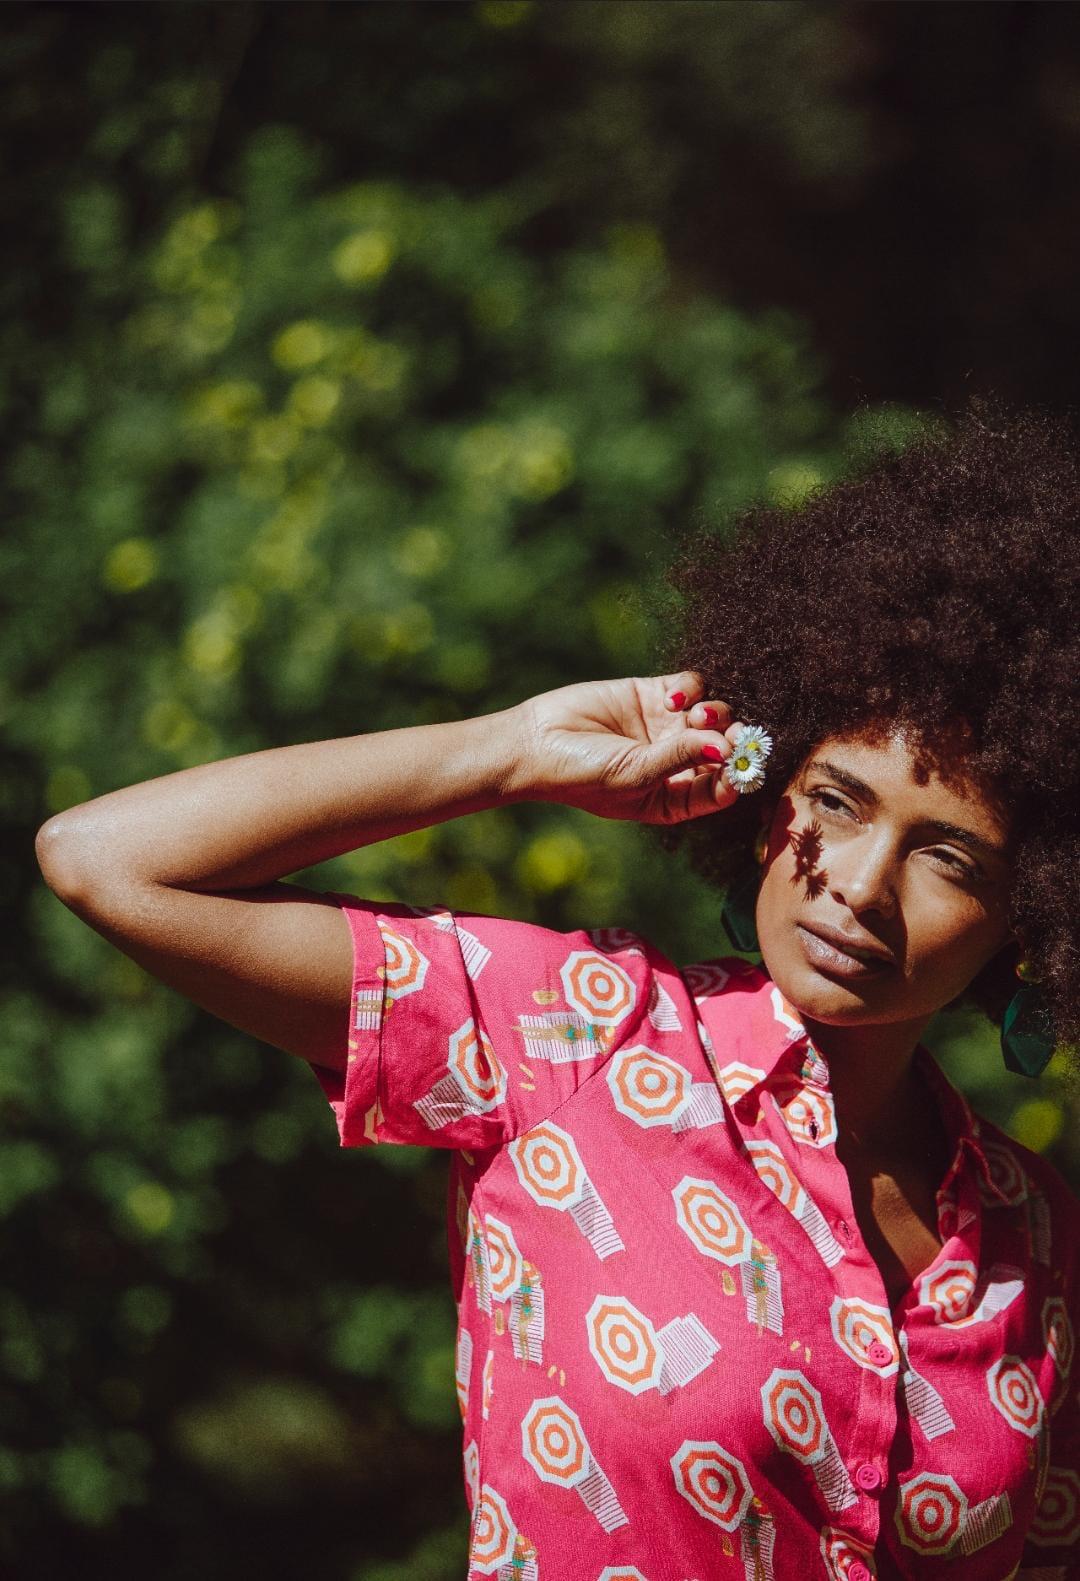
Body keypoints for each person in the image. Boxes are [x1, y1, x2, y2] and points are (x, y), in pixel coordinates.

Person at [36, 397, 1080, 1579]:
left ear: (1030, 914)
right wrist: (517, 749)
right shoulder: (559, 1030)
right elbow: (106, 861)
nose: (858, 886)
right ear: (765, 797)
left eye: (948, 857)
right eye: (835, 801)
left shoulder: (1034, 1229)